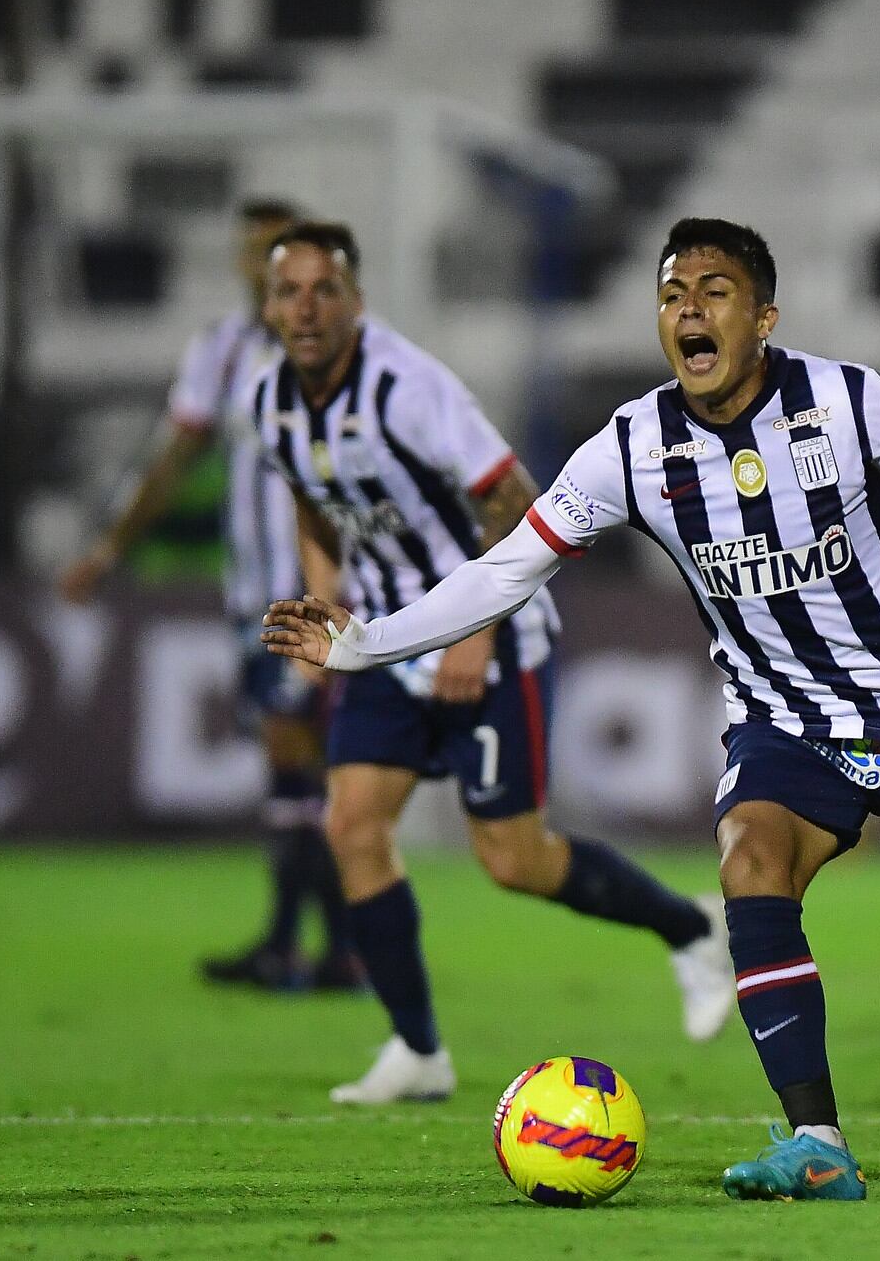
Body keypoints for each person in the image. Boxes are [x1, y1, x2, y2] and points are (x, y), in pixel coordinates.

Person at [263, 217, 880, 1200]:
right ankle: (818, 1144)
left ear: (764, 317)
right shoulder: (632, 446)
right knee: (750, 861)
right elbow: (505, 570)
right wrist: (364, 641)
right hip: (783, 721)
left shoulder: (846, 399)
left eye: (714, 292)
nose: (689, 311)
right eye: (672, 295)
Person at [248, 221, 735, 1103]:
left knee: (513, 860)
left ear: (357, 300)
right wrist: (325, 597)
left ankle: (691, 928)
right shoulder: (271, 401)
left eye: (325, 290)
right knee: (351, 826)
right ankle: (417, 1049)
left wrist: (473, 634)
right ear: (269, 305)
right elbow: (314, 503)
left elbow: (511, 496)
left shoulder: (408, 389)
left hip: (489, 634)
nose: (307, 309)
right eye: (290, 292)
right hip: (384, 642)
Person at [60, 196, 359, 992]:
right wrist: (110, 547)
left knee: (298, 755)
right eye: (254, 251)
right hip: (250, 593)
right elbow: (177, 453)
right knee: (298, 766)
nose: (265, 266)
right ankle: (333, 949)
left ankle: (300, 946)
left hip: (320, 592)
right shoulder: (222, 352)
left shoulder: (345, 349)